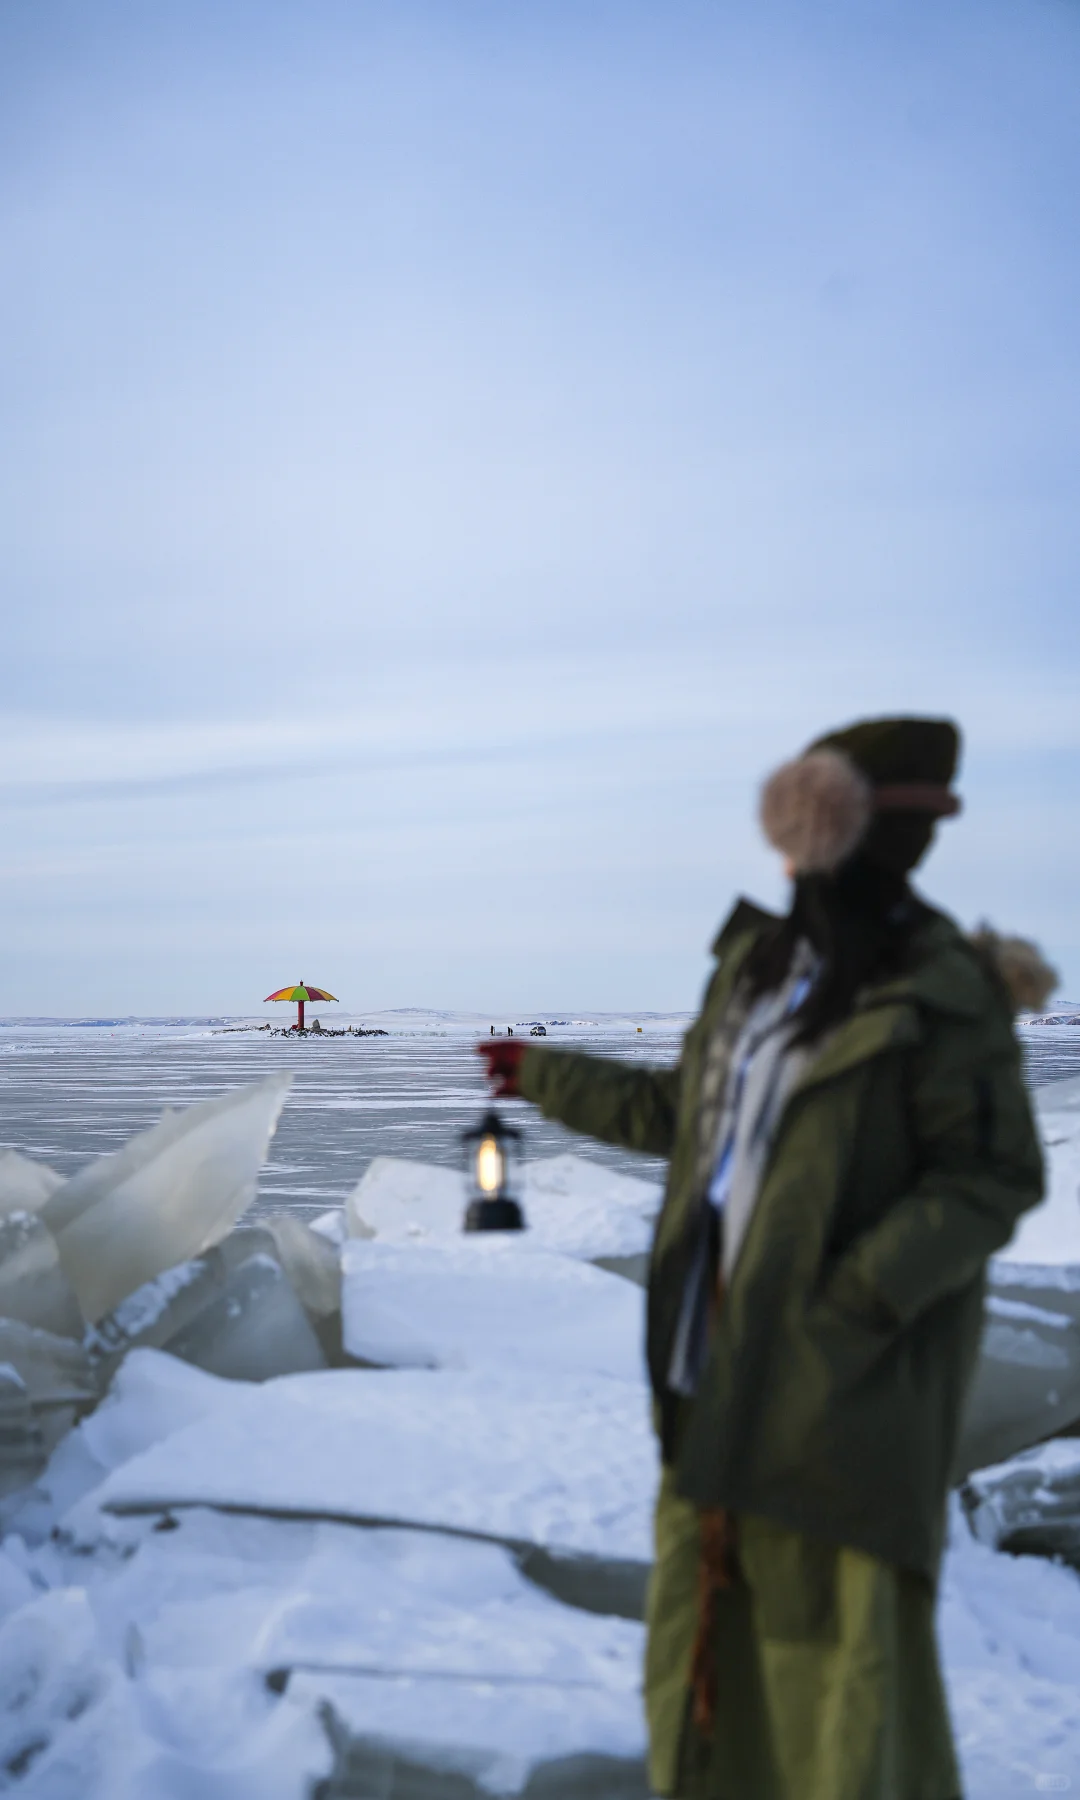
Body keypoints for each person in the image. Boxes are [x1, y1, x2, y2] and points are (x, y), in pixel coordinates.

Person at [478, 716, 1051, 1800]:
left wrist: (852, 1303)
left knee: (848, 1676)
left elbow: (991, 1176)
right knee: (706, 1654)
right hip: (714, 1375)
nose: (790, 849)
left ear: (860, 830)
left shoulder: (939, 990)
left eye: (812, 821)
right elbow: (678, 1112)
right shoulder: (758, 967)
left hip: (845, 1393)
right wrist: (541, 1075)